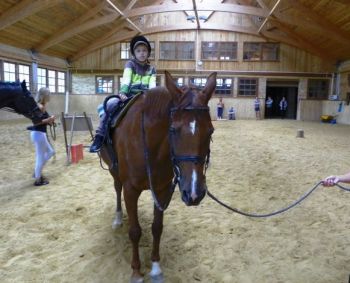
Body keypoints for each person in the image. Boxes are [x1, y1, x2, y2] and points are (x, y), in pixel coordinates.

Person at [89, 35, 157, 153]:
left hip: (145, 96)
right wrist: (123, 92)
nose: (142, 53)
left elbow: (152, 84)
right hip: (129, 94)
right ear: (134, 53)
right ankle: (99, 136)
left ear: (148, 53)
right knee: (111, 104)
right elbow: (126, 79)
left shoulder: (151, 69)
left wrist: (153, 96)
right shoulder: (130, 64)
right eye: (138, 51)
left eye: (144, 50)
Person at [28, 87, 56, 186]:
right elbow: (37, 122)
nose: (50, 97)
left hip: (39, 133)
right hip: (39, 134)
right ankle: (38, 179)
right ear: (44, 96)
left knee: (51, 152)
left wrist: (50, 120)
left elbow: (42, 120)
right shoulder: (40, 106)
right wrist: (49, 119)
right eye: (48, 95)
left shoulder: (41, 105)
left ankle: (37, 171)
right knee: (40, 157)